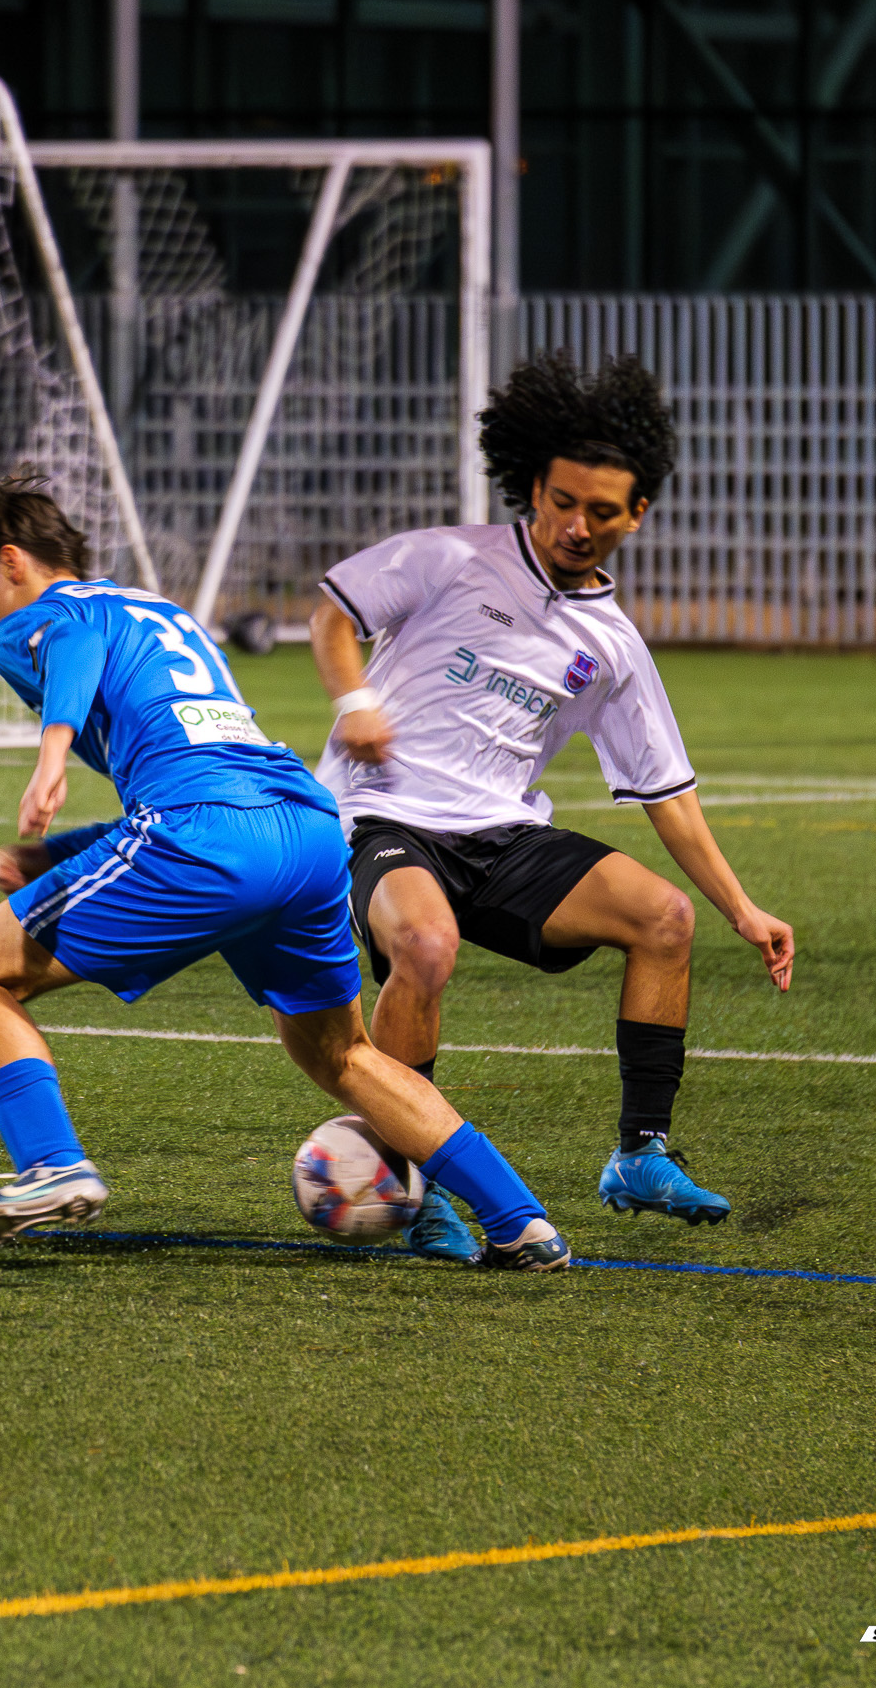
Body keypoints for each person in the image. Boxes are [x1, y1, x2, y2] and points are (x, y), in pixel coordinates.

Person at [0, 473, 570, 1270]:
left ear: (11, 562)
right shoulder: (159, 611)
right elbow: (203, 767)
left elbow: (72, 645)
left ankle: (53, 1166)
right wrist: (54, 855)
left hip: (208, 839)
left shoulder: (44, 619)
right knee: (342, 1056)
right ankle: (520, 1221)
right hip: (305, 832)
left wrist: (51, 754)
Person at [310, 353, 794, 1260]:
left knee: (664, 919)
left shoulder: (611, 645)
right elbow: (333, 617)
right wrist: (356, 702)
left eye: (601, 512)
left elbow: (670, 792)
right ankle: (417, 1181)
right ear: (533, 487)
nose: (577, 525)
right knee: (426, 946)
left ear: (636, 513)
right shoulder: (450, 558)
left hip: (501, 834)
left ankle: (641, 1154)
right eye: (562, 502)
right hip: (379, 816)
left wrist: (743, 908)